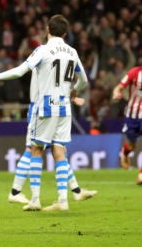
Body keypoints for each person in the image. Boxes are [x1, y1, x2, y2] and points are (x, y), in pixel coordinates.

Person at [0, 14, 88, 211]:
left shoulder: (43, 50)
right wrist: (73, 90)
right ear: (65, 33)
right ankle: (63, 200)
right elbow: (83, 80)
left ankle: (34, 199)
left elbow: (19, 71)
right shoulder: (72, 51)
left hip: (46, 106)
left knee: (35, 149)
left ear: (47, 29)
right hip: (65, 107)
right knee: (59, 150)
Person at [6, 70, 97, 204]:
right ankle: (15, 192)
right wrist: (70, 98)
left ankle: (76, 191)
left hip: (48, 107)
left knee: (59, 151)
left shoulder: (45, 61)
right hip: (40, 108)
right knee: (32, 149)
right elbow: (48, 90)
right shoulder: (43, 62)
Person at [112, 65, 142, 185]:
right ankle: (125, 151)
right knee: (132, 145)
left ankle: (141, 174)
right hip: (132, 115)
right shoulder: (134, 72)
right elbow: (118, 87)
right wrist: (115, 94)